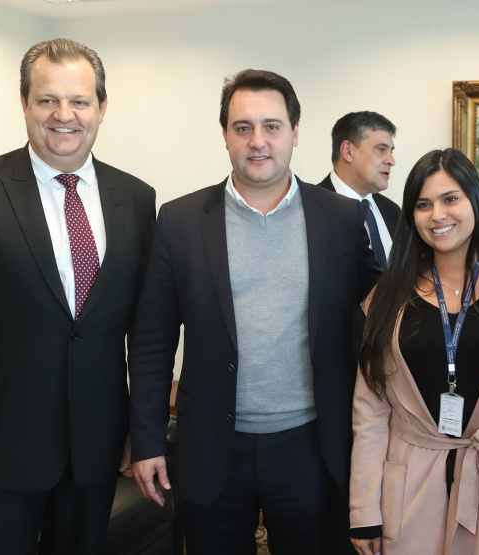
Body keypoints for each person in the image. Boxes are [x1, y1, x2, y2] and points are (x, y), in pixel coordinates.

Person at [0, 38, 156, 554]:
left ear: (102, 108)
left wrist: (142, 427)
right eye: (47, 100)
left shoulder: (136, 198)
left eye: (80, 101)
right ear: (24, 103)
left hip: (95, 454)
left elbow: (141, 331)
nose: (63, 115)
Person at [127, 69, 381, 554]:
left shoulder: (342, 219)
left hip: (312, 444)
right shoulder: (179, 222)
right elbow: (152, 341)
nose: (258, 141)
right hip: (212, 445)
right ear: (224, 135)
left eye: (272, 126)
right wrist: (148, 440)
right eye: (243, 127)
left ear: (295, 132)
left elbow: (386, 307)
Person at [350, 148, 479, 555]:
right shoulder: (386, 297)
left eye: (450, 199)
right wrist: (364, 510)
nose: (437, 215)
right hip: (412, 482)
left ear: (474, 200)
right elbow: (370, 410)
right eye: (423, 204)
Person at [317, 111, 400, 268]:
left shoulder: (393, 211)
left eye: (391, 151)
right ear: (348, 151)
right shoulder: (309, 208)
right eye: (381, 149)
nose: (391, 160)